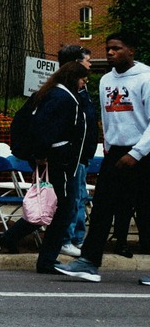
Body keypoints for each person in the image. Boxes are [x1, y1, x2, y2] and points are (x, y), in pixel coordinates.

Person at [58, 33, 150, 282]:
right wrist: (108, 146)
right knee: (101, 208)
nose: (110, 53)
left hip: (142, 152)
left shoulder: (146, 78)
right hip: (115, 153)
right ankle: (89, 262)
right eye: (108, 49)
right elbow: (108, 118)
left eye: (116, 48)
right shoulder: (106, 80)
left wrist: (137, 153)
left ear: (131, 50)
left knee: (145, 211)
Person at [0, 60, 92, 273]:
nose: (84, 84)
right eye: (83, 79)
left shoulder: (49, 94)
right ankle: (47, 260)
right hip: (61, 160)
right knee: (63, 210)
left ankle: (10, 237)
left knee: (48, 204)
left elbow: (28, 122)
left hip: (55, 159)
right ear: (73, 78)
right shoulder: (62, 98)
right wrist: (41, 153)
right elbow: (45, 128)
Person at [56, 44, 99, 258]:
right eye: (86, 60)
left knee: (80, 197)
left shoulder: (82, 89)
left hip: (84, 153)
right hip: (73, 154)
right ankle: (67, 238)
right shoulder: (65, 91)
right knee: (73, 198)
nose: (90, 65)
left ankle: (77, 238)